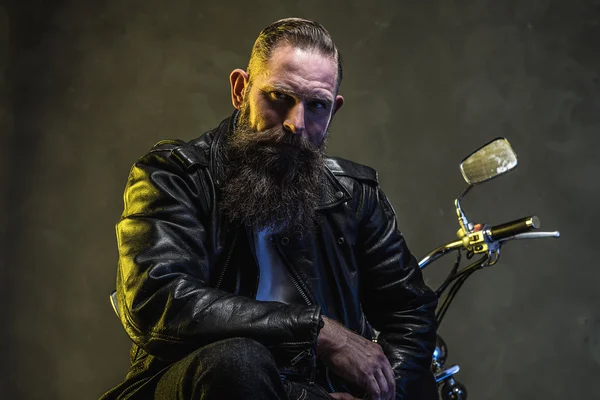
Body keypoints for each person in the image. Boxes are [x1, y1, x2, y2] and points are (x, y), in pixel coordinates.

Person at [101, 17, 439, 400]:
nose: (297, 124)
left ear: (334, 112)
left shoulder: (355, 195)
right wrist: (317, 331)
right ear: (240, 89)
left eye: (316, 106)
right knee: (237, 362)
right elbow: (157, 299)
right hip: (198, 386)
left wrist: (378, 395)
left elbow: (411, 314)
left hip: (316, 394)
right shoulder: (175, 175)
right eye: (279, 97)